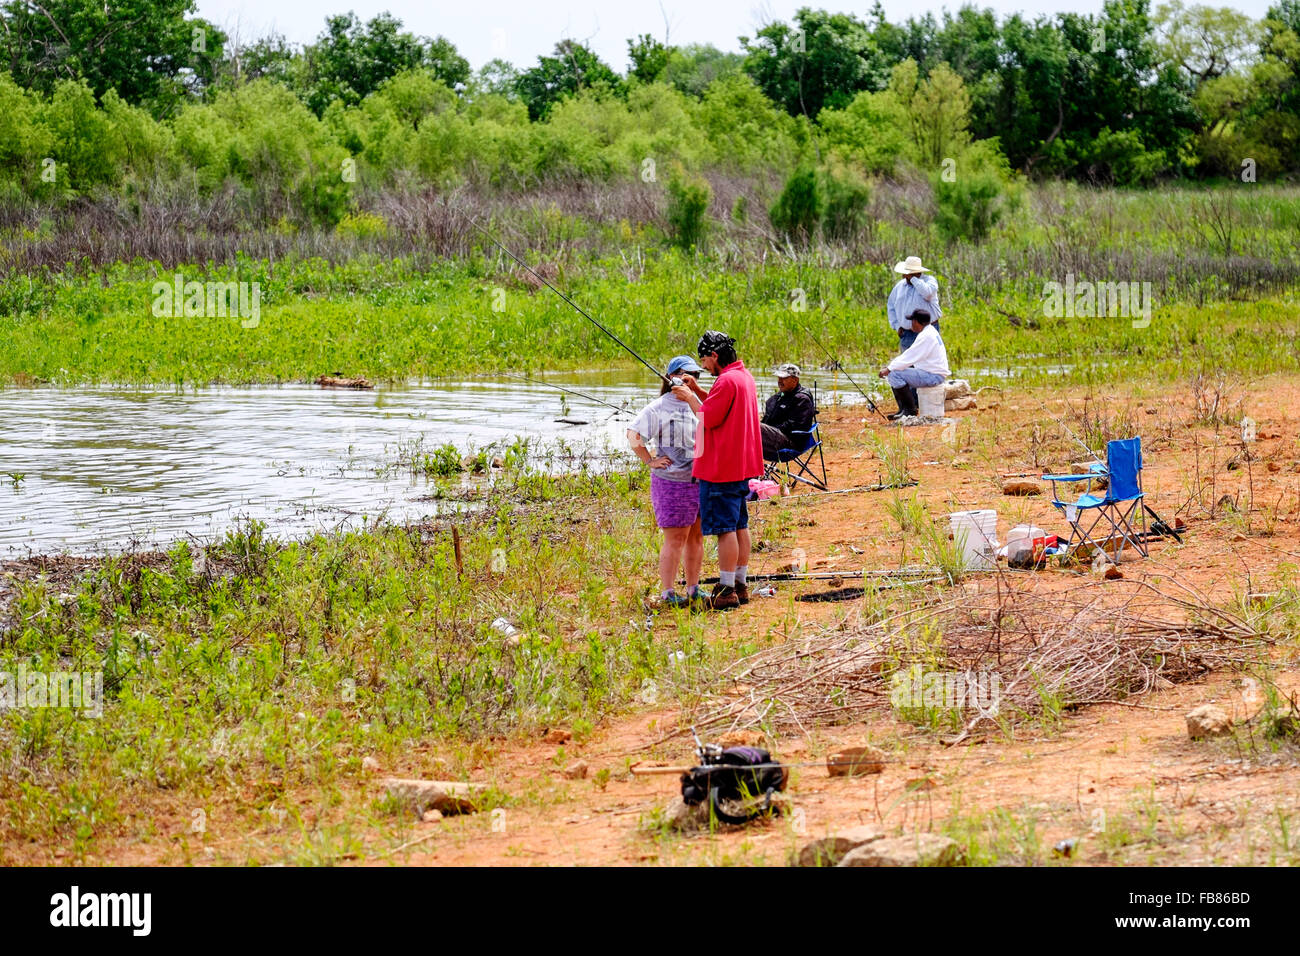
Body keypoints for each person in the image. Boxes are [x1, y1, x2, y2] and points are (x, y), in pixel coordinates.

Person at [672, 331, 762, 611]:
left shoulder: (725, 381)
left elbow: (709, 418)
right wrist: (698, 391)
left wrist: (688, 397)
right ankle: (740, 583)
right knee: (739, 525)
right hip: (740, 464)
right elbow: (719, 405)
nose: (703, 366)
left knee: (725, 530)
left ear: (714, 356)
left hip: (721, 466)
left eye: (704, 360)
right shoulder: (742, 377)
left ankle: (725, 590)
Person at [627, 355, 707, 609]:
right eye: (684, 374)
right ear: (671, 377)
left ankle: (693, 588)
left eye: (694, 375)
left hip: (698, 478)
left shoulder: (696, 405)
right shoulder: (659, 407)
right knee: (676, 537)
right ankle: (668, 591)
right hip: (672, 482)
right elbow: (633, 435)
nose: (689, 379)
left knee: (696, 535)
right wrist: (650, 460)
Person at [878, 310, 950, 419]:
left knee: (894, 374)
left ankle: (910, 410)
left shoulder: (926, 336)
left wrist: (889, 368)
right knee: (896, 372)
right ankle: (903, 410)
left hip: (932, 376)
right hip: (933, 374)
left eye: (912, 321)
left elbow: (909, 356)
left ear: (916, 322)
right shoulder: (930, 331)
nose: (911, 324)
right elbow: (911, 356)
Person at [760, 363, 817, 461]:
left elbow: (795, 426)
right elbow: (767, 419)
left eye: (784, 378)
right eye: (779, 378)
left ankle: (748, 471)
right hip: (774, 438)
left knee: (755, 427)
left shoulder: (802, 399)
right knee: (747, 426)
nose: (780, 381)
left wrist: (768, 429)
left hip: (790, 442)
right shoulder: (778, 397)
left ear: (795, 380)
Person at [886, 255, 942, 351]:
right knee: (908, 364)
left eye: (907, 273)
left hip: (927, 332)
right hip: (907, 334)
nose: (904, 276)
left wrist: (913, 278)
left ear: (918, 273)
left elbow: (927, 293)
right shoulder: (900, 286)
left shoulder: (930, 281)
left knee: (927, 363)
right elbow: (891, 306)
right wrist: (897, 326)